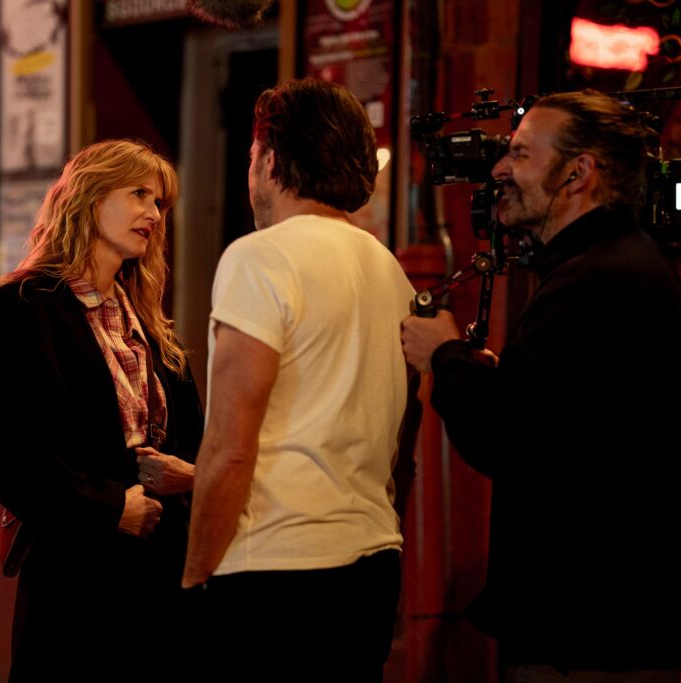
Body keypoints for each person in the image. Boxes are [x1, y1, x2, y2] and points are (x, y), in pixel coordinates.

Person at [400, 90, 681, 681]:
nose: (499, 169)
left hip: (588, 634)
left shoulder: (594, 282)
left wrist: (443, 355)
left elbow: (508, 437)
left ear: (578, 173)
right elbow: (574, 428)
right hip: (621, 625)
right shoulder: (626, 268)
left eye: (520, 154)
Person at [182, 78, 418, 682]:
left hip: (275, 568)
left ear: (269, 160)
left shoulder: (260, 257)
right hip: (370, 563)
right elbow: (401, 441)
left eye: (251, 156)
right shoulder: (388, 268)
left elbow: (230, 446)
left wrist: (195, 578)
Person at [0, 140, 203, 682]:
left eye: (160, 202)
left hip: (162, 582)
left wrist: (186, 476)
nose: (154, 213)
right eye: (139, 194)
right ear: (89, 198)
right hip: (74, 580)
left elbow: (191, 438)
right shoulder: (19, 308)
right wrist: (110, 508)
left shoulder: (149, 320)